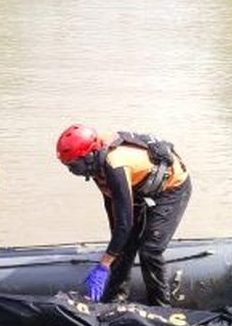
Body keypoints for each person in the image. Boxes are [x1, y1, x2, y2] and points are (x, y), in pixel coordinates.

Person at [56, 124, 191, 305]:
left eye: (73, 165)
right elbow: (112, 204)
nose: (71, 170)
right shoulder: (96, 164)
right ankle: (116, 299)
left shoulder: (115, 166)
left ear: (88, 156)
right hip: (138, 185)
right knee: (123, 245)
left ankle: (161, 305)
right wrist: (115, 248)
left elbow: (124, 224)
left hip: (172, 187)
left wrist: (104, 264)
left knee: (150, 250)